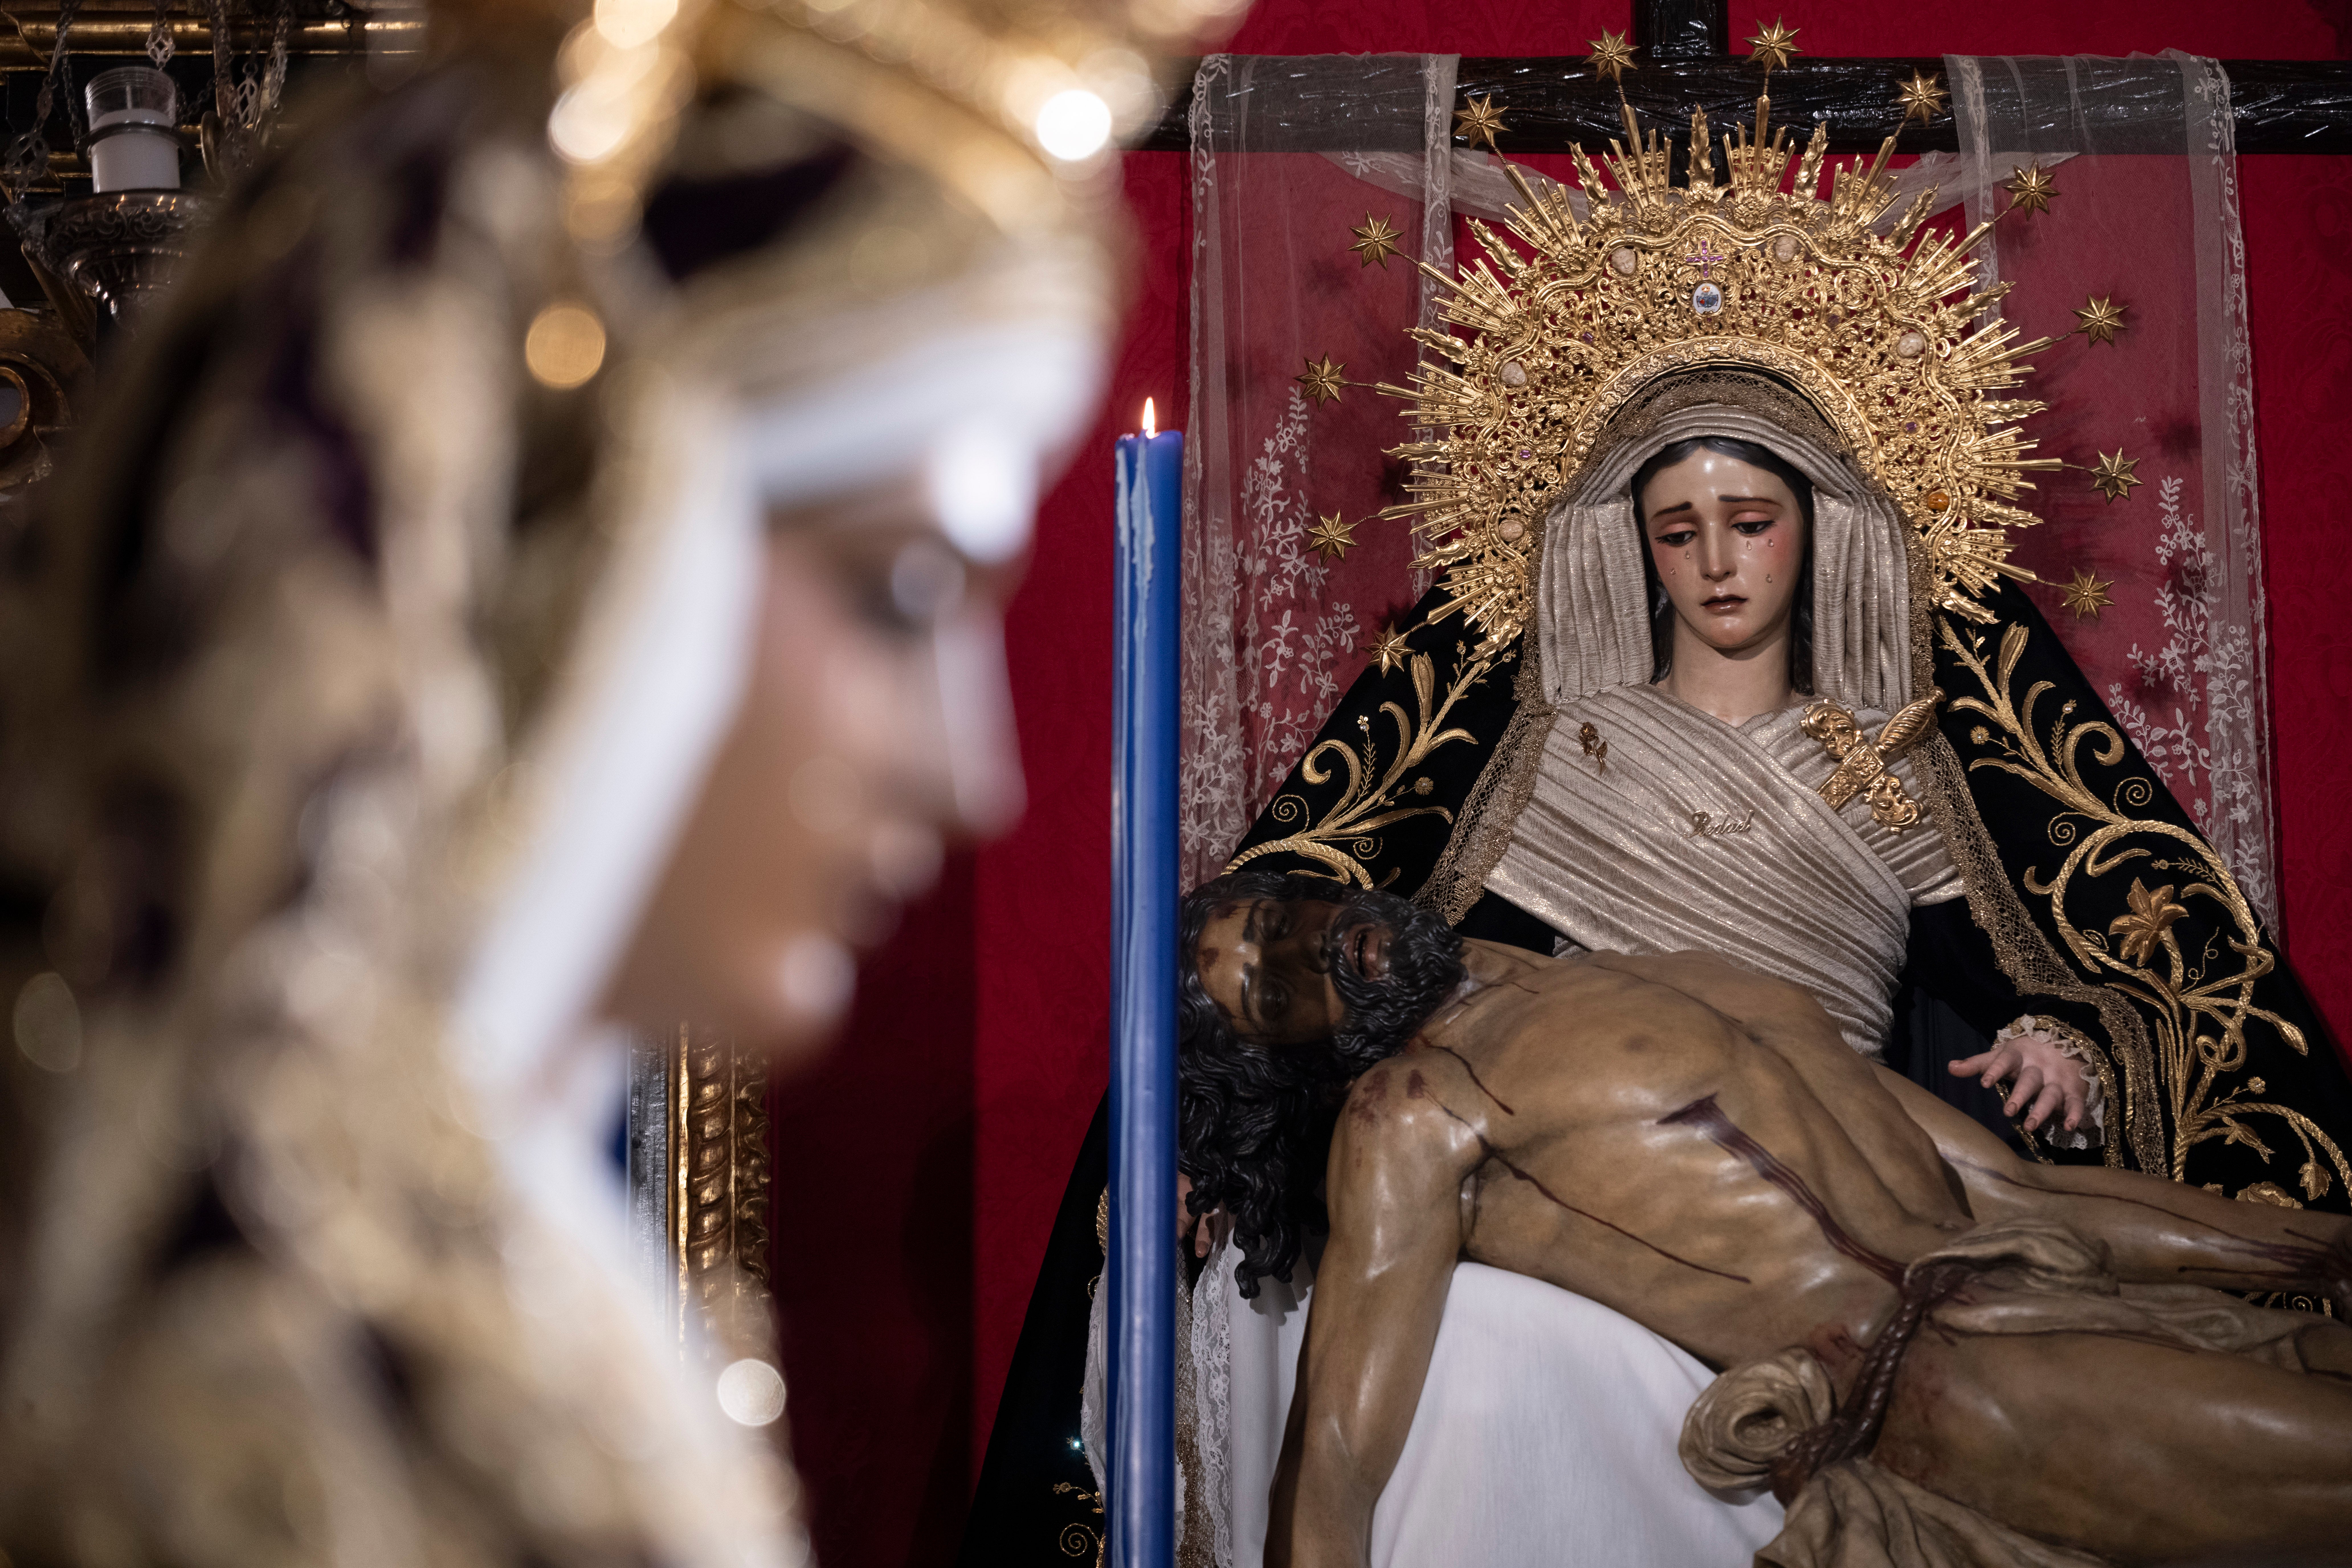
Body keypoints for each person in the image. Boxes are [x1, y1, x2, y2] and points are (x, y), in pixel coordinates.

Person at [0, 0, 1235, 1557]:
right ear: (592, 563)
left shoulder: (517, 1304)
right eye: (900, 593)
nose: (970, 776)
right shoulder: (233, 1427)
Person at [1180, 875, 2352, 1568]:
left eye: (1277, 923)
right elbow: (1336, 1446)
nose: (1305, 954)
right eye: (1273, 992)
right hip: (1940, 1388)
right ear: (1293, 1053)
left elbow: (2018, 1197)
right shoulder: (1411, 1112)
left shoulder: (1648, 976)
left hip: (2046, 1289)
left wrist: (2327, 1245)